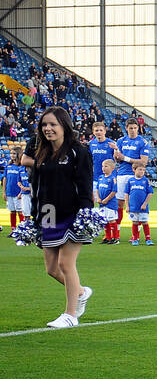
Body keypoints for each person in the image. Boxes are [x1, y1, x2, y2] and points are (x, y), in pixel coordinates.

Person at [23, 106, 94, 328]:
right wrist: (35, 216)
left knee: (65, 263)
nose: (48, 128)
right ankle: (80, 292)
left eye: (53, 124)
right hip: (47, 214)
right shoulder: (42, 152)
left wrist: (85, 215)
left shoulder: (78, 152)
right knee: (51, 269)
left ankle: (70, 315)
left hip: (73, 214)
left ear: (64, 125)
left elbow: (85, 186)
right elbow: (38, 187)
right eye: (45, 124)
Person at [113, 119, 150, 240]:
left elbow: (143, 162)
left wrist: (125, 158)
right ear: (126, 128)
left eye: (135, 128)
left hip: (136, 175)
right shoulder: (120, 141)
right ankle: (117, 233)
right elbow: (117, 159)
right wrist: (117, 156)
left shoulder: (143, 142)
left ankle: (136, 235)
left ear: (138, 128)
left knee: (137, 204)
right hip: (122, 174)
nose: (133, 130)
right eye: (130, 128)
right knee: (119, 203)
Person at [126, 161, 153, 246]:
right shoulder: (130, 181)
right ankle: (135, 238)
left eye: (143, 170)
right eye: (140, 170)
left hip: (143, 207)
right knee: (135, 222)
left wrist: (145, 204)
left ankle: (148, 239)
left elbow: (150, 193)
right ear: (134, 169)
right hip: (133, 207)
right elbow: (126, 193)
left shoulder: (146, 181)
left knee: (144, 222)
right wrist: (127, 206)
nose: (142, 172)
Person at [93, 158, 119, 244]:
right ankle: (107, 238)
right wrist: (99, 198)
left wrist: (106, 199)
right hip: (102, 204)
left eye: (106, 166)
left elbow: (114, 191)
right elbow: (97, 189)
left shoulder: (113, 179)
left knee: (112, 220)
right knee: (104, 221)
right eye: (102, 166)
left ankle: (115, 238)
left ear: (112, 168)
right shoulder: (100, 178)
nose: (103, 168)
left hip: (110, 204)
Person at [5, 147, 30, 233]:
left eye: (14, 153)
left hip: (18, 193)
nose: (12, 155)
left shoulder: (21, 167)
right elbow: (5, 178)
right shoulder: (8, 165)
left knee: (20, 211)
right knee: (12, 211)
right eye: (11, 153)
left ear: (19, 154)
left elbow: (21, 180)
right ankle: (13, 229)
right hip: (9, 192)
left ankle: (22, 229)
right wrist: (4, 192)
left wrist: (20, 192)